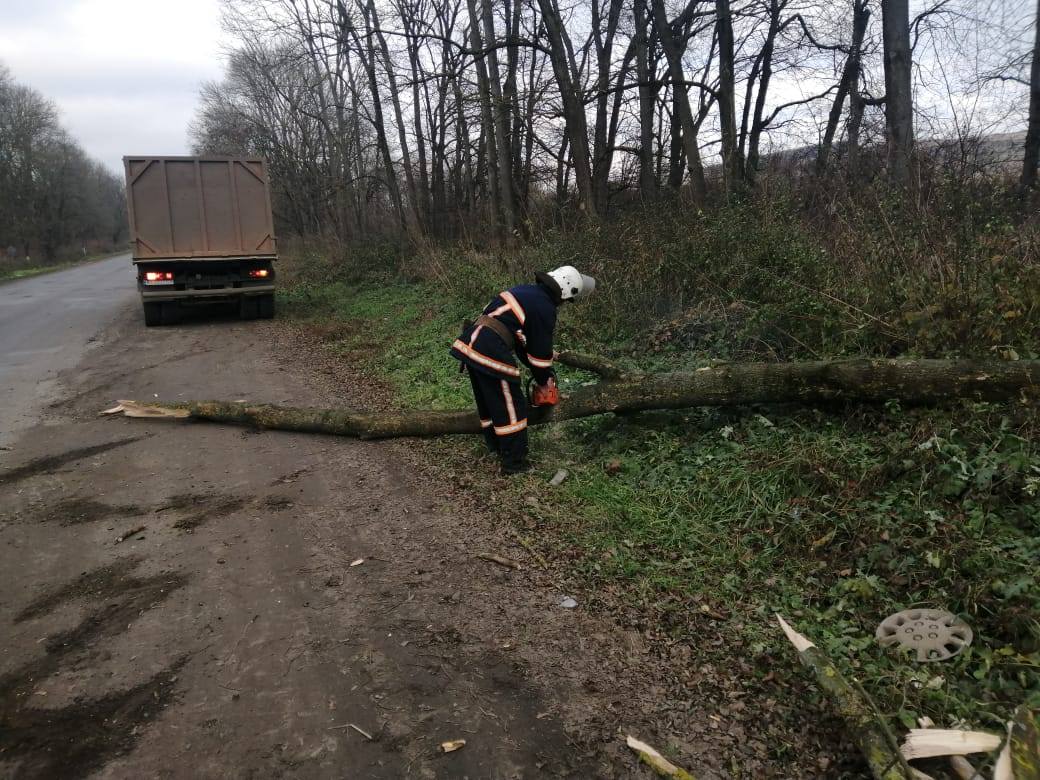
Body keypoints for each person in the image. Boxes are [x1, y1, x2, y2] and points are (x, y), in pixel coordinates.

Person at [450, 265, 596, 475]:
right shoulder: (545, 307)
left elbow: (520, 342)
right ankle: (514, 463)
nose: (563, 305)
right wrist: (544, 378)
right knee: (512, 404)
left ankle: (496, 446)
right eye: (566, 301)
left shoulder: (526, 292)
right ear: (565, 291)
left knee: (490, 401)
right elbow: (538, 352)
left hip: (473, 342)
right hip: (489, 346)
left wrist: (539, 363)